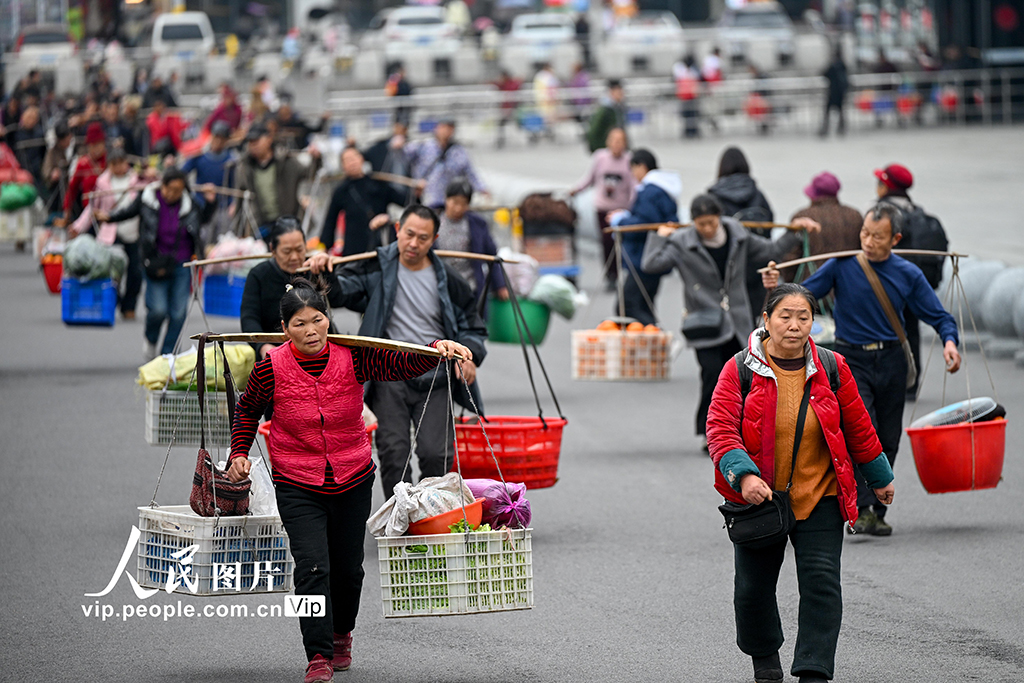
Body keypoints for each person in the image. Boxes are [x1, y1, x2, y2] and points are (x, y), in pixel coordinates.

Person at [225, 276, 471, 682]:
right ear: (285, 330)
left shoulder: (352, 356)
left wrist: (433, 351)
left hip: (353, 476)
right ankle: (317, 655)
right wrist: (238, 452)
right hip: (297, 480)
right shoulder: (271, 367)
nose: (310, 330)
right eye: (299, 324)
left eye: (317, 319)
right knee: (311, 568)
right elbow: (248, 409)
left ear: (328, 320)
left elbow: (398, 363)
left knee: (347, 570)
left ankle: (342, 634)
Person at [706, 283, 895, 683]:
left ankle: (814, 669)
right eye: (785, 317)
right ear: (767, 320)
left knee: (823, 583)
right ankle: (765, 659)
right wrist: (744, 475)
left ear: (814, 321)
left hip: (820, 492)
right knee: (752, 589)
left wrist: (879, 477)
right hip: (760, 498)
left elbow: (859, 426)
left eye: (803, 317)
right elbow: (721, 430)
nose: (794, 325)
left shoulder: (832, 366)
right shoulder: (739, 368)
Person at [762, 203, 961, 536]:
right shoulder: (842, 266)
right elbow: (802, 297)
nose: (868, 241)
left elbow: (938, 315)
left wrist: (950, 342)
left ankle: (878, 506)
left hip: (892, 360)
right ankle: (864, 507)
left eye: (878, 237)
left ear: (895, 238)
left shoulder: (907, 272)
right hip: (851, 360)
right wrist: (775, 284)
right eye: (865, 234)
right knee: (861, 428)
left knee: (889, 435)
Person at [305, 205, 488, 498]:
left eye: (423, 238)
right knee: (394, 455)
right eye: (409, 234)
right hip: (389, 375)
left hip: (437, 376)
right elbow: (342, 293)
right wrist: (325, 269)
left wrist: (469, 356)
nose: (414, 243)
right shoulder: (378, 268)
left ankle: (432, 519)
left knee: (435, 454)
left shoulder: (448, 280)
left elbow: (472, 326)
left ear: (434, 239)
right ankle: (400, 520)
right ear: (398, 230)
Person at [641, 194, 811, 449]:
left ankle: (739, 433)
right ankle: (711, 434)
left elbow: (770, 251)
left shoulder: (738, 236)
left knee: (742, 380)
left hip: (737, 320)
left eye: (711, 222)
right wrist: (659, 237)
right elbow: (651, 264)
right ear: (694, 223)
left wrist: (795, 230)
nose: (707, 229)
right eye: (701, 224)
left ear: (719, 218)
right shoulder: (680, 243)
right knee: (712, 377)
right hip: (704, 322)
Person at [97, 167, 217, 359]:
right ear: (162, 186)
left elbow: (202, 219)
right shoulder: (148, 199)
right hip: (154, 262)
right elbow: (129, 212)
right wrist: (109, 218)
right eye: (170, 189)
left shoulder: (189, 203)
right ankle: (151, 338)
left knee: (178, 313)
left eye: (178, 190)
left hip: (182, 263)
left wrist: (211, 202)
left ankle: (166, 355)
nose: (173, 194)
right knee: (158, 311)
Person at [872, 163, 949, 397]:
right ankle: (911, 383)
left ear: (886, 186)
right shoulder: (916, 210)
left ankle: (889, 384)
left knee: (884, 332)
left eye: (880, 183)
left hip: (886, 285)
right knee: (910, 331)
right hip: (914, 284)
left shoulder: (880, 213)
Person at [242, 217, 345, 361]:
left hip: (318, 352)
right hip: (276, 354)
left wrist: (327, 270)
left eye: (299, 249)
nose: (295, 257)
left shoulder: (313, 268)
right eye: (287, 251)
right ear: (273, 249)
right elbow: (249, 318)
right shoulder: (259, 275)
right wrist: (264, 347)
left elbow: (337, 300)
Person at [70, 148, 147, 319]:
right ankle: (114, 300)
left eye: (122, 163)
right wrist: (78, 226)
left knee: (136, 272)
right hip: (110, 234)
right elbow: (92, 208)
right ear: (110, 165)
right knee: (110, 271)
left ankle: (129, 306)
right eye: (115, 164)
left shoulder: (138, 180)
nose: (119, 167)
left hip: (133, 233)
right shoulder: (102, 182)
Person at [608, 148, 681, 326]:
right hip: (654, 256)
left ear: (641, 166)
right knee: (645, 305)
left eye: (633, 168)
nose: (633, 174)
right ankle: (651, 345)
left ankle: (656, 336)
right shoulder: (663, 189)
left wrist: (621, 220)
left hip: (643, 258)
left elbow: (645, 222)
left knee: (627, 306)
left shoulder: (650, 191)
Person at [569, 127, 635, 289]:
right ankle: (610, 275)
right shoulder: (600, 157)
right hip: (603, 208)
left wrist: (632, 207)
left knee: (624, 244)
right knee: (606, 242)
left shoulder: (629, 160)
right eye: (614, 140)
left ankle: (625, 272)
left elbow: (633, 185)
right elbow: (590, 178)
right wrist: (576, 190)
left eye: (620, 141)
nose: (617, 144)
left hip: (621, 210)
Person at [319, 145, 408, 255]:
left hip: (382, 243)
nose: (352, 162)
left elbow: (405, 201)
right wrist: (326, 246)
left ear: (361, 159)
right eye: (347, 160)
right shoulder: (342, 190)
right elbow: (330, 220)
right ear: (343, 166)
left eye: (354, 158)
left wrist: (416, 193)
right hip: (354, 245)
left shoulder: (378, 183)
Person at [433, 178, 508, 305]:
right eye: (454, 202)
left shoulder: (477, 225)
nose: (458, 208)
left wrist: (500, 285)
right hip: (441, 286)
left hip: (469, 287)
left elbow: (492, 257)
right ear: (446, 199)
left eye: (463, 204)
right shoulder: (432, 221)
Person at [237, 125, 321, 237]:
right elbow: (239, 199)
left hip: (288, 224)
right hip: (260, 226)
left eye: (256, 141)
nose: (253, 145)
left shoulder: (286, 162)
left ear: (269, 139)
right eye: (250, 142)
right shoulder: (245, 167)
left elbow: (309, 174)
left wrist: (316, 159)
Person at [779, 172, 862, 283]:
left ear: (813, 195)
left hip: (813, 285)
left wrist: (789, 284)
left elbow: (791, 257)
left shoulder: (802, 218)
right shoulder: (855, 216)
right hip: (850, 282)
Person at [406, 119, 487, 208]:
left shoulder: (458, 151)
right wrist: (414, 182)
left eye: (449, 127)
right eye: (443, 127)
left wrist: (481, 188)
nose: (446, 131)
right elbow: (402, 158)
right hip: (426, 196)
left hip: (448, 198)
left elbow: (469, 172)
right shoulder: (423, 146)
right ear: (437, 128)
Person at [62, 122, 108, 224]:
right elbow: (72, 188)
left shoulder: (109, 161)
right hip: (88, 213)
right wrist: (67, 210)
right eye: (92, 145)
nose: (95, 149)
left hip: (108, 209)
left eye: (98, 144)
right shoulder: (83, 164)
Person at [586, 79, 627, 153]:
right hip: (606, 148)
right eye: (619, 92)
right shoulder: (604, 110)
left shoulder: (618, 107)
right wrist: (598, 148)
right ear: (612, 92)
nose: (621, 94)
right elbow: (593, 131)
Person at [42, 123, 74, 214]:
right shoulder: (53, 152)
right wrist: (53, 173)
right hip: (60, 188)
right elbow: (46, 171)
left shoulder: (74, 148)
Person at [820, 47, 849, 137]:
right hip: (841, 92)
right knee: (840, 111)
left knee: (828, 111)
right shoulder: (843, 65)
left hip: (833, 92)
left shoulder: (833, 66)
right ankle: (841, 128)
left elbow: (825, 74)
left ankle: (825, 129)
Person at [672, 55, 702, 139]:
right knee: (688, 114)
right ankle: (689, 130)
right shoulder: (681, 69)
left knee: (691, 113)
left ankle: (692, 129)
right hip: (687, 95)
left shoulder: (690, 70)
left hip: (688, 95)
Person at [493, 70, 522, 149]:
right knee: (502, 124)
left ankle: (527, 137)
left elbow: (516, 87)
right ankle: (501, 140)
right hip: (505, 109)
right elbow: (495, 85)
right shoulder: (503, 84)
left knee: (517, 123)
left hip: (513, 108)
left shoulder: (512, 84)